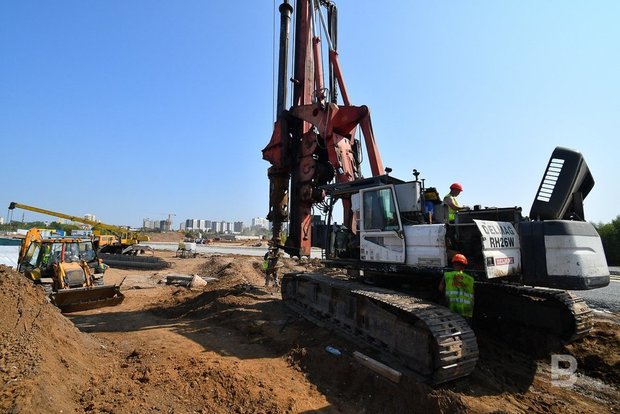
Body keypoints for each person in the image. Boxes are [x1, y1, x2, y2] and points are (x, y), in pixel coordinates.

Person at [438, 253, 474, 323]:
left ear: (453, 265)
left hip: (451, 307)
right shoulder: (470, 279)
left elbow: (440, 288)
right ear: (464, 266)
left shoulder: (447, 275)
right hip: (465, 310)